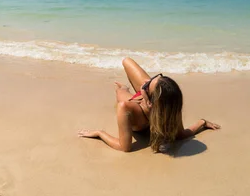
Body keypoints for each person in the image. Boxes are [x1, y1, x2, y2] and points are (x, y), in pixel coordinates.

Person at [78, 57, 220, 153]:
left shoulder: (126, 107)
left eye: (146, 86)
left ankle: (125, 88)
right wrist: (203, 122)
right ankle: (152, 86)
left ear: (149, 102)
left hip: (135, 105)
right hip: (149, 101)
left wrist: (99, 133)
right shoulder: (170, 104)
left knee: (121, 91)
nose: (145, 82)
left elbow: (124, 147)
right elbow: (183, 134)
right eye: (155, 78)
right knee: (127, 61)